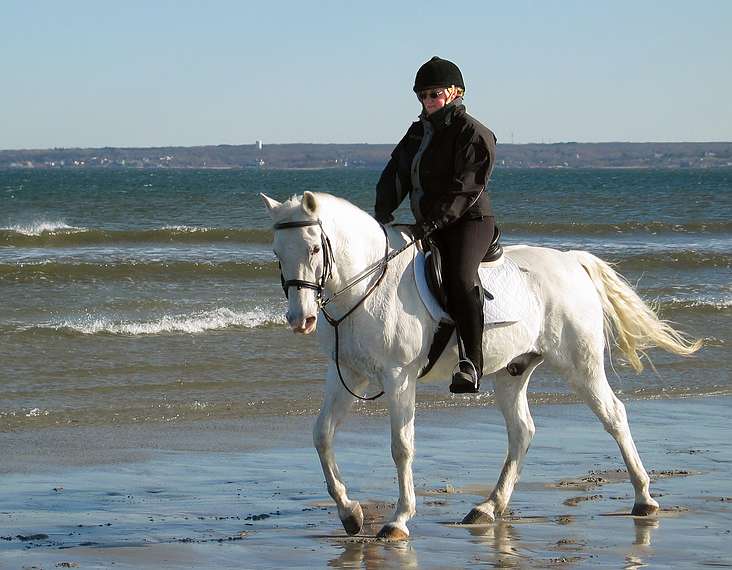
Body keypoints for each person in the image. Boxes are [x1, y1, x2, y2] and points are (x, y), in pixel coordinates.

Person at [374, 56, 498, 394]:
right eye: (423, 96)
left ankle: (471, 362)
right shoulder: (417, 133)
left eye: (435, 94)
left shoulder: (473, 133)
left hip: (469, 221)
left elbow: (466, 189)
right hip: (428, 224)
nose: (429, 101)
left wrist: (433, 222)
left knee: (459, 277)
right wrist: (380, 214)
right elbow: (396, 174)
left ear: (455, 93)